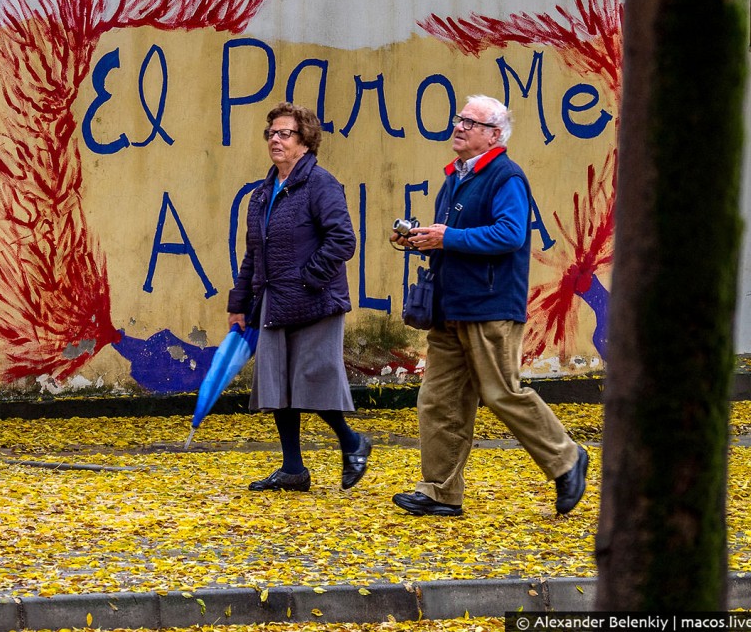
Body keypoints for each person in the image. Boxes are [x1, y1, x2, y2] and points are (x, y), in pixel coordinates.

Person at [391, 95, 589, 517]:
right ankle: (441, 491)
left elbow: (510, 235)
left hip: (490, 306)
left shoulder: (505, 176)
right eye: (459, 119)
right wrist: (422, 239)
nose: (458, 127)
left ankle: (567, 458)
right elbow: (454, 238)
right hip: (451, 307)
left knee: (502, 392)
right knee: (439, 400)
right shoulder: (456, 179)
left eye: (470, 122)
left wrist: (448, 238)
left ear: (494, 135)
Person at [228, 102, 372, 492]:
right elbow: (252, 253)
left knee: (314, 382)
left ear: (305, 142)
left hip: (315, 304)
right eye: (272, 133)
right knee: (278, 386)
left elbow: (343, 240)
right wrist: (238, 304)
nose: (276, 139)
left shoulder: (320, 184)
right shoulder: (262, 194)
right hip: (272, 304)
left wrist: (308, 279)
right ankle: (293, 469)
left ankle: (352, 441)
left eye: (285, 133)